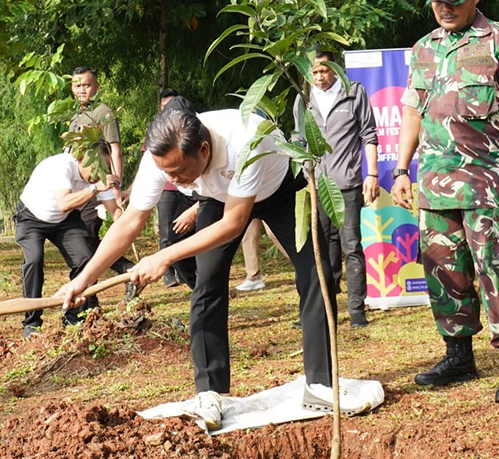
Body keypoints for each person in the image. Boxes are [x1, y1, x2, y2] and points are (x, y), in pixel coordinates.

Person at [58, 106, 372, 431]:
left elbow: (234, 223)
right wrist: (84, 278)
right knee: (207, 285)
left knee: (315, 273)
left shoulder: (247, 138)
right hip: (218, 198)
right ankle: (210, 394)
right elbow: (130, 222)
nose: (171, 180)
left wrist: (163, 257)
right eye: (166, 172)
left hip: (278, 189)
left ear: (204, 150)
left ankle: (320, 384)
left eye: (178, 172)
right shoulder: (162, 161)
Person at [392, 0, 499, 403]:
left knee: (498, 267)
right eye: (438, 1)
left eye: (454, 0)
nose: (445, 9)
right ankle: (459, 355)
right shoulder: (423, 48)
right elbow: (413, 111)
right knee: (443, 270)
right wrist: (401, 169)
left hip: (489, 183)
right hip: (436, 184)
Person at [293, 50, 379, 328]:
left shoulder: (353, 92)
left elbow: (368, 134)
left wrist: (372, 174)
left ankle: (356, 310)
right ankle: (323, 308)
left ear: (335, 69)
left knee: (351, 245)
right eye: (315, 72)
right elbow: (298, 139)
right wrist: (304, 175)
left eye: (324, 71)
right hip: (317, 187)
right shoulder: (303, 98)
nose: (319, 77)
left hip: (348, 184)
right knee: (320, 248)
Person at [16, 141, 120, 338]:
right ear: (80, 158)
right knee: (34, 260)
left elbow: (116, 214)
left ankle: (74, 318)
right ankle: (32, 323)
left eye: (104, 167)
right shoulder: (61, 166)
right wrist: (95, 189)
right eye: (96, 166)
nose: (100, 172)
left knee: (86, 259)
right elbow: (64, 203)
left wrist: (128, 218)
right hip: (31, 218)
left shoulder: (99, 180)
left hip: (65, 221)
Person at [68, 66, 135, 281]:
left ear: (96, 87)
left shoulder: (102, 113)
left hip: (99, 183)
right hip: (80, 183)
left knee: (84, 236)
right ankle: (128, 271)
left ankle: (89, 292)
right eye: (77, 85)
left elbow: (114, 149)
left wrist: (116, 186)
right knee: (86, 239)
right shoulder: (75, 116)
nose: (81, 90)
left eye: (86, 85)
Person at [155, 89, 197, 288]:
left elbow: (229, 207)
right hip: (178, 195)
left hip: (210, 197)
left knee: (211, 256)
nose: (171, 177)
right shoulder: (156, 141)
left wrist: (195, 210)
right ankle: (197, 286)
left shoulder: (203, 137)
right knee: (172, 239)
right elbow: (131, 221)